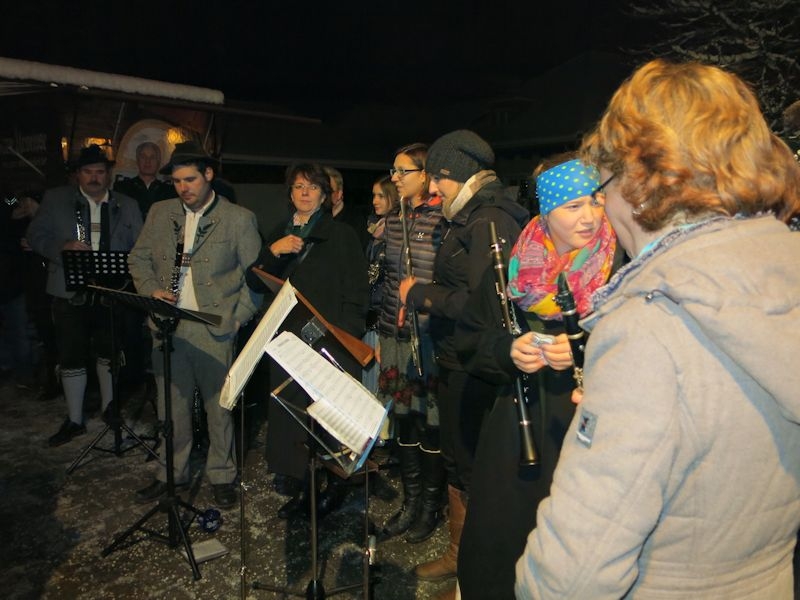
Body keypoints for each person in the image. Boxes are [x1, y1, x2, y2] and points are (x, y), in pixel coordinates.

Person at [515, 59, 800, 599]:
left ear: (641, 184)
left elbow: (573, 577)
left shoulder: (649, 324)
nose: (604, 207)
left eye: (604, 186)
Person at [454, 155, 621, 599]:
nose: (589, 217)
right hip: (519, 427)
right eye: (573, 206)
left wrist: (586, 350)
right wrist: (507, 351)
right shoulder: (515, 265)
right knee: (501, 545)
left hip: (591, 431)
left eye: (595, 201)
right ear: (546, 212)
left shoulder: (620, 265)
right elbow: (470, 338)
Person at [399, 130, 528, 599]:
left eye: (439, 178)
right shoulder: (467, 216)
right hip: (457, 360)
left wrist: (420, 294)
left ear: (460, 173)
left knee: (473, 468)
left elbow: (484, 307)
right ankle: (460, 556)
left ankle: (478, 572)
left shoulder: (489, 220)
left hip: (478, 368)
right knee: (457, 461)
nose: (433, 188)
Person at [128, 141, 262, 509]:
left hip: (213, 328)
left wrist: (238, 318)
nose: (183, 188)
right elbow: (138, 258)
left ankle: (222, 475)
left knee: (219, 410)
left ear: (209, 175)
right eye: (176, 181)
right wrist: (151, 290)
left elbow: (256, 279)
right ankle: (171, 473)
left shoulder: (239, 219)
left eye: (190, 179)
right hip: (167, 326)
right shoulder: (160, 212)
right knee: (171, 409)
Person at [246, 163, 368, 519]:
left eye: (312, 187)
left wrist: (345, 336)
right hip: (287, 340)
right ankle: (303, 486)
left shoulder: (340, 234)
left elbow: (357, 290)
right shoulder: (279, 232)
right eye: (298, 186)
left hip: (327, 340)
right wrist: (274, 250)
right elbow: (254, 281)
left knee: (327, 417)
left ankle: (334, 487)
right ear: (290, 193)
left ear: (324, 195)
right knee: (294, 417)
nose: (304, 192)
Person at [26, 144, 143, 446]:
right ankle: (75, 419)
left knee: (109, 352)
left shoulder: (127, 204)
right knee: (71, 355)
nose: (94, 178)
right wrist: (62, 247)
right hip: (67, 291)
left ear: (109, 175)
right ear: (78, 174)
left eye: (100, 172)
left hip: (112, 292)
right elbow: (35, 235)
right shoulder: (56, 199)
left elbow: (140, 245)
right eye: (88, 172)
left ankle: (109, 410)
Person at [363, 174, 399, 394]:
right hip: (369, 320)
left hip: (385, 321)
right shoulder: (374, 235)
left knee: (379, 388)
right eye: (374, 195)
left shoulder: (396, 235)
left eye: (381, 196)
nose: (375, 201)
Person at [113, 141, 174, 220]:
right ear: (137, 160)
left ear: (158, 162)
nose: (147, 161)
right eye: (143, 157)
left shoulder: (169, 191)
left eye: (152, 157)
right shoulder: (122, 188)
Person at [324, 165, 368, 248]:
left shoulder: (356, 221)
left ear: (339, 194)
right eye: (320, 190)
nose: (323, 195)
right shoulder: (313, 218)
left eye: (328, 190)